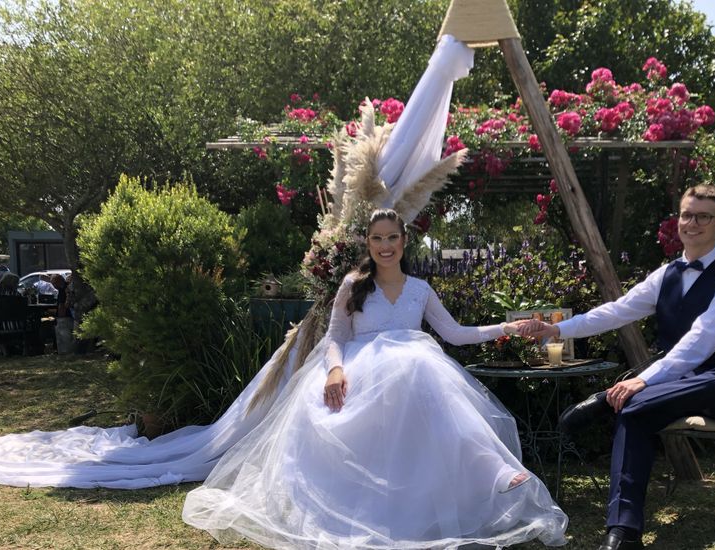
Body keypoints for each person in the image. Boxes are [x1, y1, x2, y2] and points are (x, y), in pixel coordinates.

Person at [182, 209, 569, 549]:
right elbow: (336, 336)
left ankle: (490, 468)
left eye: (392, 238)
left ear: (404, 241)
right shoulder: (353, 284)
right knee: (415, 367)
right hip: (363, 369)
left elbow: (454, 334)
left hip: (415, 370)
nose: (386, 246)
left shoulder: (420, 289)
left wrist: (507, 326)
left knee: (420, 364)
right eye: (377, 238)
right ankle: (376, 506)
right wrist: (335, 369)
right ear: (368, 243)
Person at [519, 185, 715, 550]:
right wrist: (557, 328)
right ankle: (624, 533)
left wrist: (640, 380)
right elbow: (617, 311)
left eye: (704, 216)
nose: (692, 223)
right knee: (634, 409)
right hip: (673, 389)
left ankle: (604, 400)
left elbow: (701, 340)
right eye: (686, 214)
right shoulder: (667, 274)